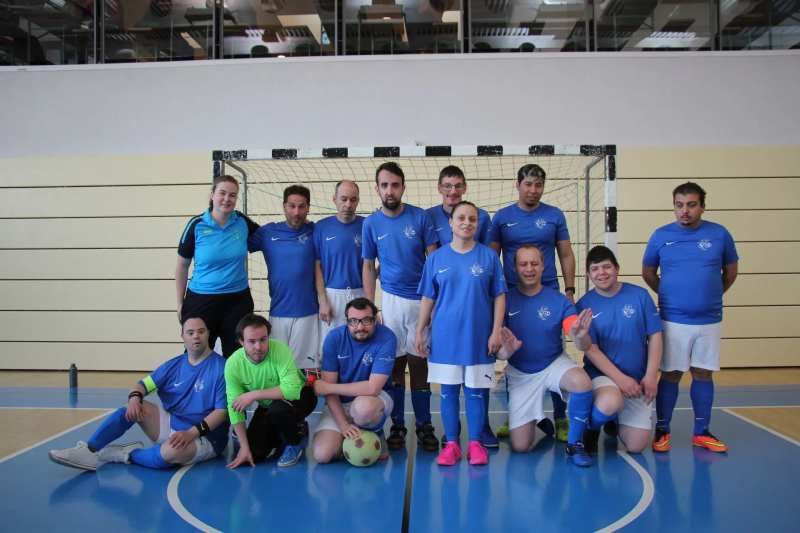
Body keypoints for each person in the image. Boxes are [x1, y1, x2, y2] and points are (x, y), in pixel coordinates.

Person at [49, 317, 229, 471]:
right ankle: (89, 451)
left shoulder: (221, 368)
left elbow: (221, 412)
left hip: (205, 437)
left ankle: (126, 453)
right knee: (131, 409)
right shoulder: (173, 366)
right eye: (190, 332)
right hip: (172, 424)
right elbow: (143, 384)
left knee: (170, 453)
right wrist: (135, 398)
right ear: (182, 337)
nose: (196, 336)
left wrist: (190, 433)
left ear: (208, 334)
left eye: (201, 331)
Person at [642, 182, 738, 453]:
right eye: (679, 205)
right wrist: (671, 293)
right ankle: (662, 430)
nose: (684, 211)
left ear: (702, 206)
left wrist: (711, 293)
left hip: (709, 319)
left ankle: (701, 432)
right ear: (674, 206)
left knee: (703, 373)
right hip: (673, 320)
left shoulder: (720, 234)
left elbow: (730, 272)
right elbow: (648, 272)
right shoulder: (661, 235)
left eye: (691, 205)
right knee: (671, 374)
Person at [488, 164, 577, 441]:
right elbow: (492, 259)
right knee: (511, 356)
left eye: (538, 185)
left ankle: (560, 418)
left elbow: (565, 253)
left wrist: (570, 289)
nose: (533, 190)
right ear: (518, 185)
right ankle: (517, 415)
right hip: (511, 296)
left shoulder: (554, 215)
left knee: (551, 353)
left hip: (546, 292)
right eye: (528, 184)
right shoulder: (502, 217)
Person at [416, 201, 506, 466]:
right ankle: (452, 444)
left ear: (477, 224)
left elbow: (499, 296)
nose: (467, 222)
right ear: (451, 223)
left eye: (472, 219)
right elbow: (427, 297)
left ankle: (476, 444)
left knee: (476, 391)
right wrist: (421, 329)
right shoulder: (436, 258)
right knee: (448, 391)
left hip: (478, 336)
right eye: (461, 218)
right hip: (445, 336)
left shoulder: (489, 257)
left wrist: (496, 331)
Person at [362, 161, 440, 451]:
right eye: (384, 185)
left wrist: (434, 302)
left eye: (395, 184)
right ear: (377, 188)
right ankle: (396, 424)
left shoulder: (420, 218)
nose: (390, 190)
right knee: (395, 365)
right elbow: (369, 266)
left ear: (403, 187)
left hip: (421, 301)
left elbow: (435, 262)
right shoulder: (371, 223)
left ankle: (424, 425)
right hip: (391, 302)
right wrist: (370, 307)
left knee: (420, 363)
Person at [497, 244, 594, 466]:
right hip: (521, 373)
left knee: (582, 382)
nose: (529, 268)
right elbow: (500, 353)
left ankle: (575, 443)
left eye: (534, 263)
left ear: (543, 266)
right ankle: (537, 418)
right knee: (521, 447)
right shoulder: (505, 301)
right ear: (514, 268)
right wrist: (507, 351)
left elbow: (580, 341)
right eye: (523, 264)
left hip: (553, 364)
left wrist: (580, 335)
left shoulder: (558, 300)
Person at [576, 246, 663, 454]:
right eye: (595, 269)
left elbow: (656, 336)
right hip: (604, 378)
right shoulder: (585, 305)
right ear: (588, 275)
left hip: (637, 380)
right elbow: (591, 350)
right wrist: (621, 379)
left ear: (617, 269)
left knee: (636, 446)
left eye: (606, 267)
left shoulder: (640, 296)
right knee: (609, 404)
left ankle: (613, 420)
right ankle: (593, 426)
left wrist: (651, 375)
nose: (601, 273)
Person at [176, 174, 259, 357]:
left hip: (237, 301)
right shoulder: (196, 225)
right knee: (197, 354)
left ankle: (236, 387)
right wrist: (179, 302)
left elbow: (268, 238)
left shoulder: (242, 222)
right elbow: (182, 266)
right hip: (201, 300)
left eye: (232, 195)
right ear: (212, 194)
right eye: (222, 193)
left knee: (238, 356)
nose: (227, 199)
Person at [226, 313, 317, 468]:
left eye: (263, 339)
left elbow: (292, 391)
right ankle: (281, 433)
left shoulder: (279, 350)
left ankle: (296, 440)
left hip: (301, 397)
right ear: (241, 341)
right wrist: (244, 447)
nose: (258, 347)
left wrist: (253, 395)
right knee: (254, 454)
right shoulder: (233, 364)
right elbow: (234, 408)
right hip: (268, 404)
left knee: (278, 410)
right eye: (251, 341)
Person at [312, 297, 397, 463]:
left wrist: (329, 388)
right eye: (353, 321)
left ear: (375, 319)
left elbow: (373, 388)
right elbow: (329, 392)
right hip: (340, 404)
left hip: (374, 399)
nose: (360, 327)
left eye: (366, 320)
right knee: (322, 455)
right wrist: (343, 425)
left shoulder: (387, 338)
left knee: (364, 409)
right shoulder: (334, 338)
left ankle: (375, 432)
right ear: (347, 321)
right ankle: (352, 434)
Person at [249, 185, 320, 371]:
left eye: (301, 206)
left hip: (308, 313)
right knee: (277, 368)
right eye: (292, 206)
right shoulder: (267, 233)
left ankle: (305, 401)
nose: (296, 212)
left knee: (305, 371)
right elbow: (239, 241)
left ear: (308, 207)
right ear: (284, 206)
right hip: (278, 312)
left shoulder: (316, 231)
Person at [314, 180, 365, 347]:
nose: (348, 204)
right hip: (331, 295)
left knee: (358, 344)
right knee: (330, 347)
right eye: (343, 199)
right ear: (334, 199)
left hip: (359, 293)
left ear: (358, 200)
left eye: (353, 199)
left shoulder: (367, 225)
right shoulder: (321, 227)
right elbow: (317, 267)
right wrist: (323, 300)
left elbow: (381, 259)